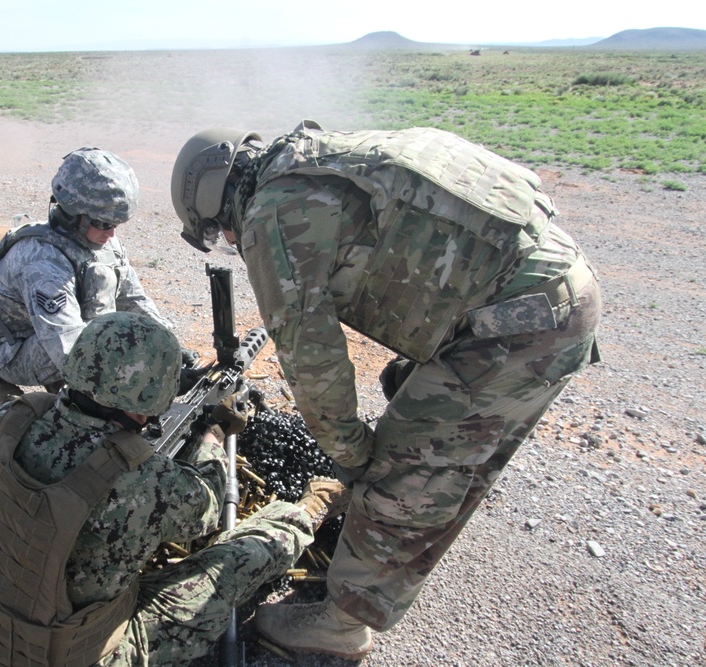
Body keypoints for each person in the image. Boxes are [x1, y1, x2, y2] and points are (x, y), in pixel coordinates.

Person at [171, 120, 602, 659]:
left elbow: (313, 361)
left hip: (518, 326)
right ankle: (381, 556)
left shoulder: (269, 215)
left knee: (402, 473)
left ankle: (341, 623)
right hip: (554, 292)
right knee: (430, 431)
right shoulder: (313, 157)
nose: (230, 242)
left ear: (215, 201)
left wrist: (353, 456)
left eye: (220, 233)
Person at [0, 311, 348, 666]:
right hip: (67, 654)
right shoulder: (144, 485)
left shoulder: (7, 420)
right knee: (238, 559)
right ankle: (311, 508)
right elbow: (209, 507)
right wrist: (212, 435)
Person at [0, 148, 186, 406]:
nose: (112, 234)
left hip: (54, 333)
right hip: (15, 349)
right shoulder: (42, 263)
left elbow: (133, 298)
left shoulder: (99, 240)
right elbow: (69, 349)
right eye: (104, 224)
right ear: (74, 214)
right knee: (109, 351)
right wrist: (130, 389)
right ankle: (24, 396)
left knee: (122, 328)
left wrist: (171, 350)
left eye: (116, 224)